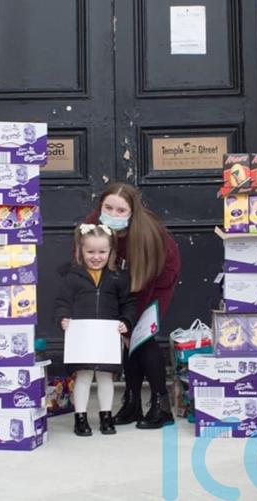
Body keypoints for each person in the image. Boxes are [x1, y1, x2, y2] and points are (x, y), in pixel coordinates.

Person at [84, 182, 181, 429]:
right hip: (122, 283)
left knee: (141, 338)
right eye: (109, 208)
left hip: (155, 282)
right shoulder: (94, 223)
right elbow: (85, 254)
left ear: (132, 211)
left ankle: (161, 407)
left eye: (121, 210)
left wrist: (133, 320)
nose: (113, 215)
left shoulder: (148, 233)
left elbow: (150, 279)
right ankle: (132, 402)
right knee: (125, 338)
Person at [54, 224, 137, 436]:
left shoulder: (118, 277)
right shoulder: (72, 277)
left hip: (107, 338)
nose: (96, 257)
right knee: (82, 377)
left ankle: (106, 416)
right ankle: (80, 417)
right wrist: (63, 318)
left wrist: (126, 321)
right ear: (81, 250)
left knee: (105, 378)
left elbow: (128, 303)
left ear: (111, 251)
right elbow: (62, 302)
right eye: (90, 251)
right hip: (81, 337)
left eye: (102, 252)